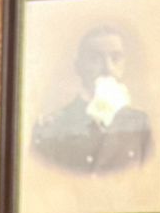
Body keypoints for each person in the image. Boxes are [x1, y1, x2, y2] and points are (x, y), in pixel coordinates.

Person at [32, 26, 152, 175]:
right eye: (95, 59)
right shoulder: (53, 127)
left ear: (124, 64)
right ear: (78, 66)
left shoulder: (140, 124)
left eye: (115, 58)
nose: (108, 68)